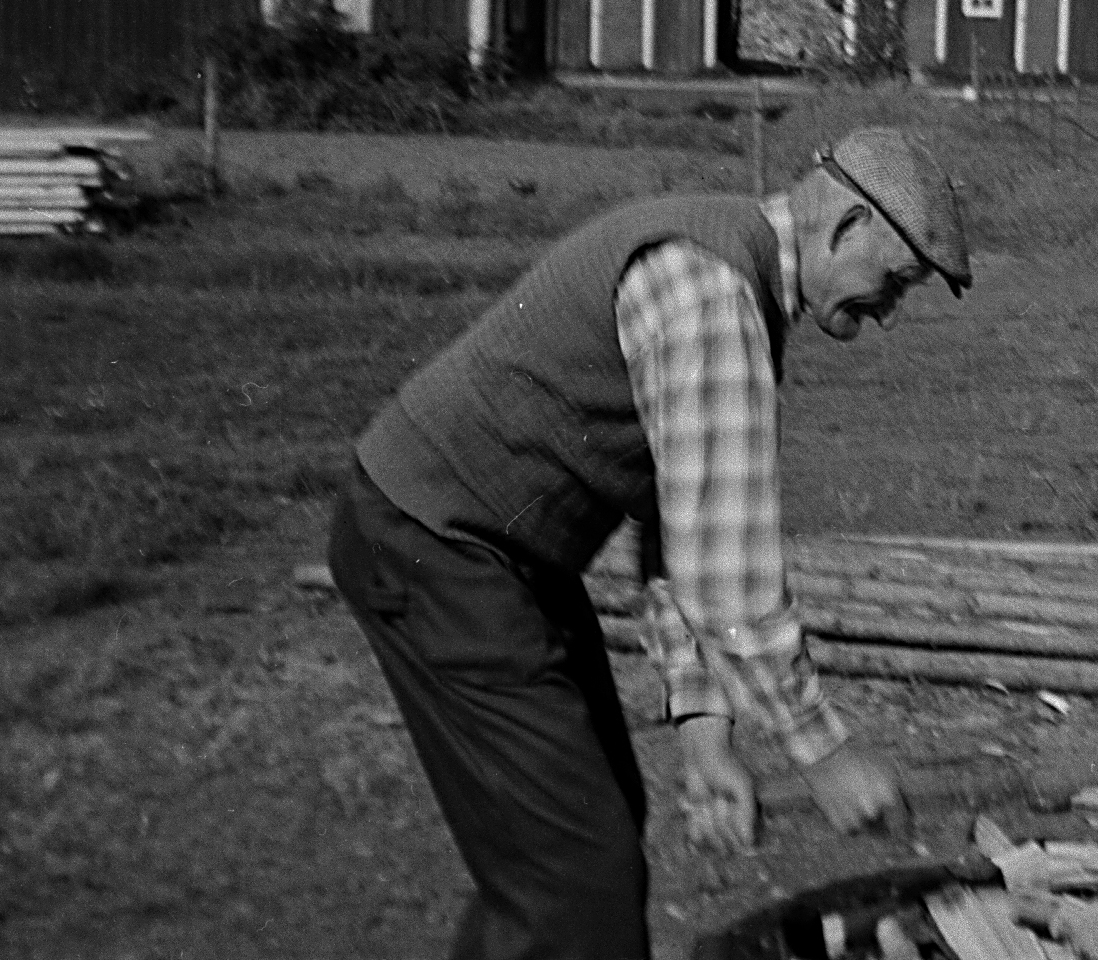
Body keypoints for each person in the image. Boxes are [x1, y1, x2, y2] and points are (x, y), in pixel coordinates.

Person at [327, 125, 973, 960]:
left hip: (496, 556)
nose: (888, 314)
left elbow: (677, 523)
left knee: (579, 846)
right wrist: (824, 752)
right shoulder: (709, 288)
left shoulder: (734, 281)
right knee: (574, 876)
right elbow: (728, 583)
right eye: (895, 282)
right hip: (434, 545)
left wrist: (704, 731)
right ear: (847, 226)